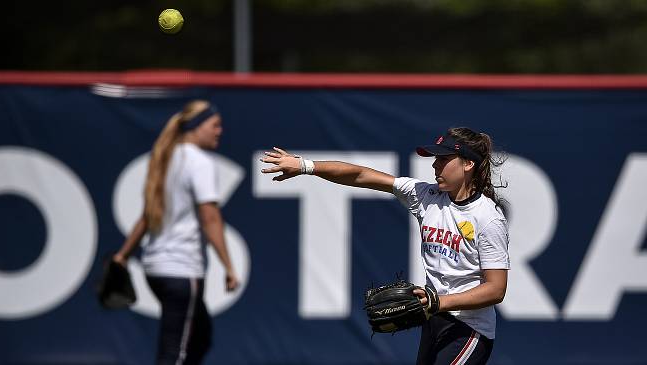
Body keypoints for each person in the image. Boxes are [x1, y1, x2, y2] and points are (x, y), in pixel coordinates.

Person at [260, 127, 509, 365]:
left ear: (468, 164)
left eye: (444, 159)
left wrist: (440, 302)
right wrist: (305, 166)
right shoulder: (426, 196)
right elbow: (361, 175)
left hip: (470, 330)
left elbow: (496, 289)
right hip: (434, 320)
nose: (435, 165)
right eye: (435, 158)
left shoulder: (487, 218)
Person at [113, 100, 239, 365]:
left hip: (155, 268)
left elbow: (148, 215)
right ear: (195, 127)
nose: (220, 131)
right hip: (181, 270)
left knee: (200, 337)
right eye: (214, 125)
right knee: (175, 353)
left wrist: (123, 255)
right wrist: (229, 267)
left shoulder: (165, 157)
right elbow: (210, 216)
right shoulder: (200, 162)